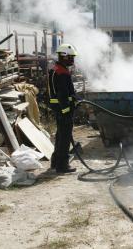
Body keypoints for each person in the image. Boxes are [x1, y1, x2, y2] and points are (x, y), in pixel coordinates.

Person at [48, 43, 78, 173]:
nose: (72, 60)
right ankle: (62, 165)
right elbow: (62, 94)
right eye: (71, 57)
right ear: (64, 56)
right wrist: (66, 111)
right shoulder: (62, 73)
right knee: (65, 137)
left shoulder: (56, 69)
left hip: (58, 108)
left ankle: (55, 162)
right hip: (63, 109)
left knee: (60, 135)